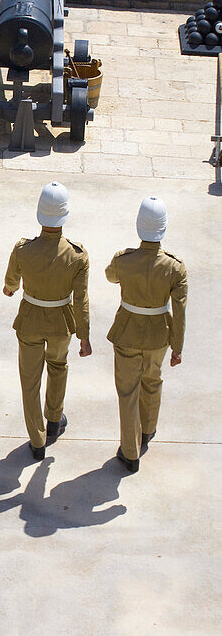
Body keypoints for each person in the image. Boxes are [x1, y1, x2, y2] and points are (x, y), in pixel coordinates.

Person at [3, 181, 91, 460]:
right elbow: (81, 299)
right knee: (58, 366)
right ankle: (54, 419)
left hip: (30, 319)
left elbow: (10, 284)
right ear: (64, 215)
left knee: (29, 381)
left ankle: (37, 439)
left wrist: (11, 288)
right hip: (61, 323)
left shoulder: (23, 249)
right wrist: (84, 334)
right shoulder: (78, 255)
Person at [105, 195, 187, 473]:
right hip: (159, 335)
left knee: (128, 391)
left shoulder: (124, 259)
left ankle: (130, 452)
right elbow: (180, 310)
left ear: (139, 226)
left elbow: (110, 276)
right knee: (152, 380)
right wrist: (177, 346)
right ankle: (148, 429)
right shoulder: (175, 267)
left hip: (127, 331)